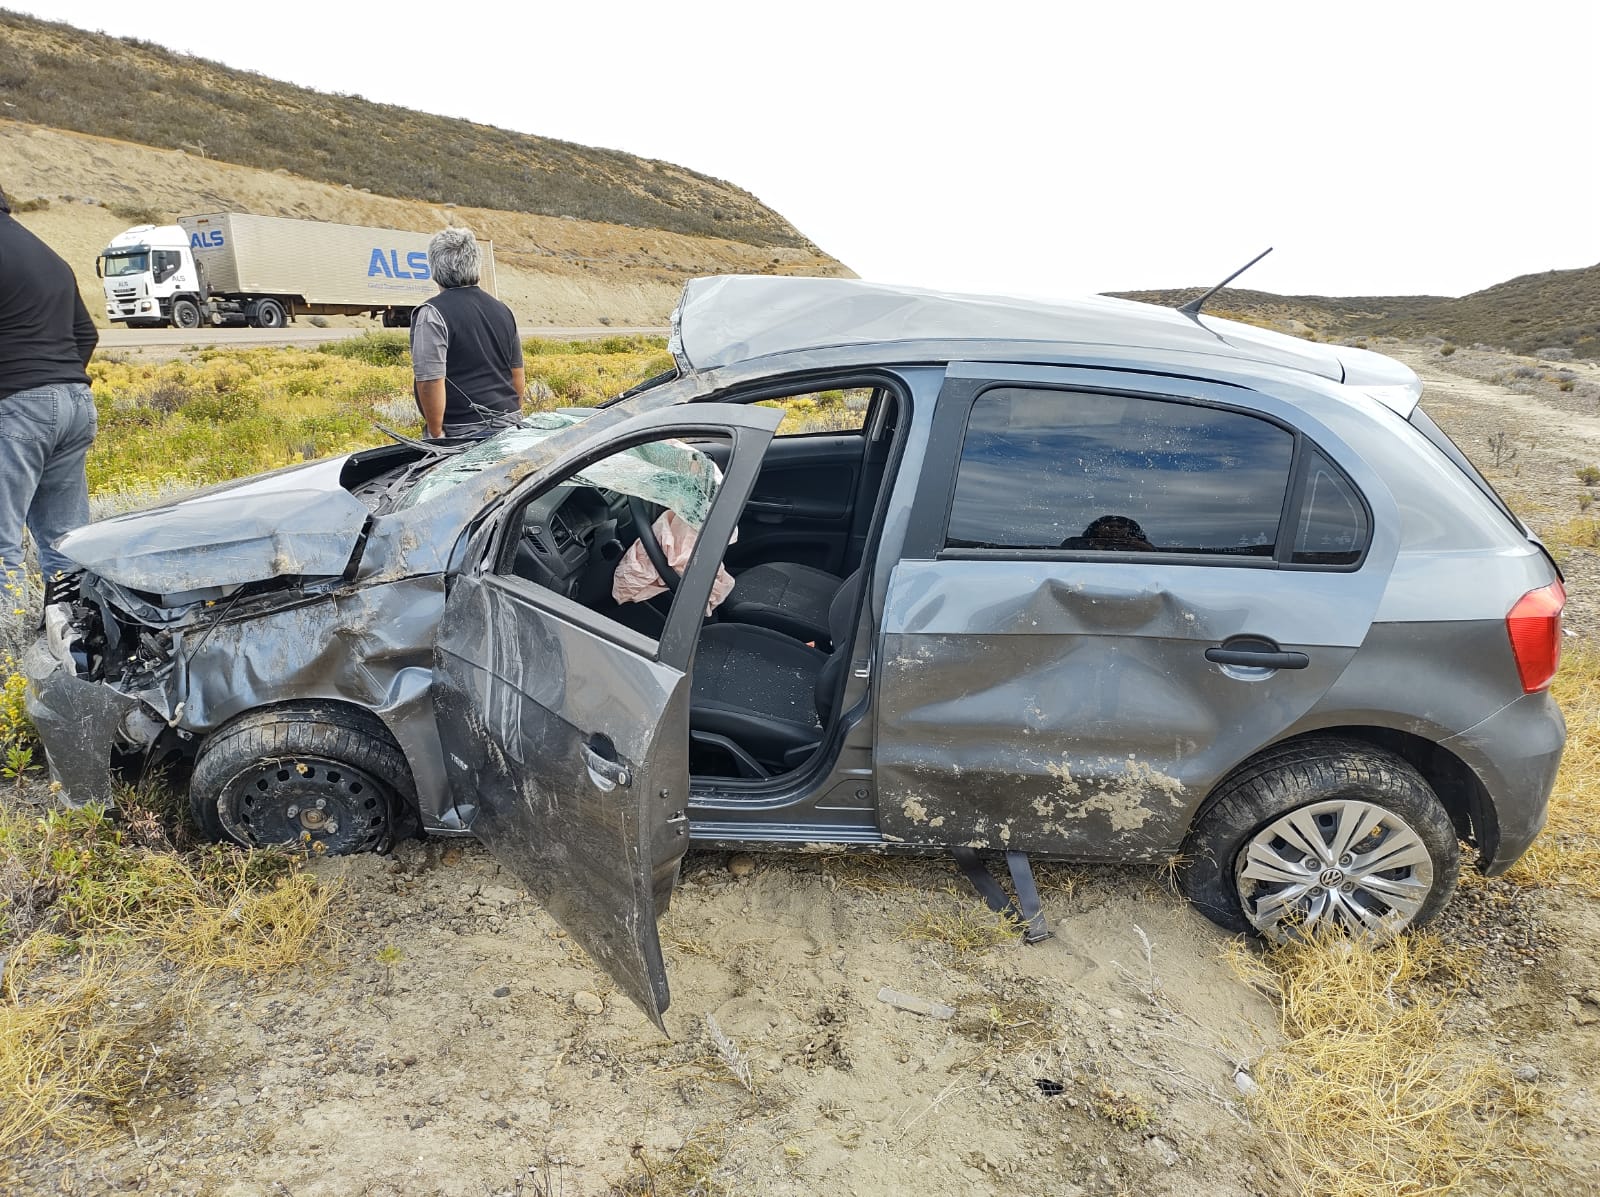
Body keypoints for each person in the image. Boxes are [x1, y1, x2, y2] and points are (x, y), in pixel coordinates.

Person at [0, 185, 99, 590]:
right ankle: (79, 636)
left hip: (19, 405)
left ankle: (9, 638)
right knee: (67, 544)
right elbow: (86, 334)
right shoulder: (47, 254)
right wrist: (55, 383)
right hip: (75, 401)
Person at [409, 227, 525, 439]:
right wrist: (514, 415)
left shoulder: (432, 314)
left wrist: (436, 434)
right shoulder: (503, 310)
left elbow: (430, 381)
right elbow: (516, 372)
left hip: (462, 430)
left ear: (435, 268)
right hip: (510, 423)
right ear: (476, 265)